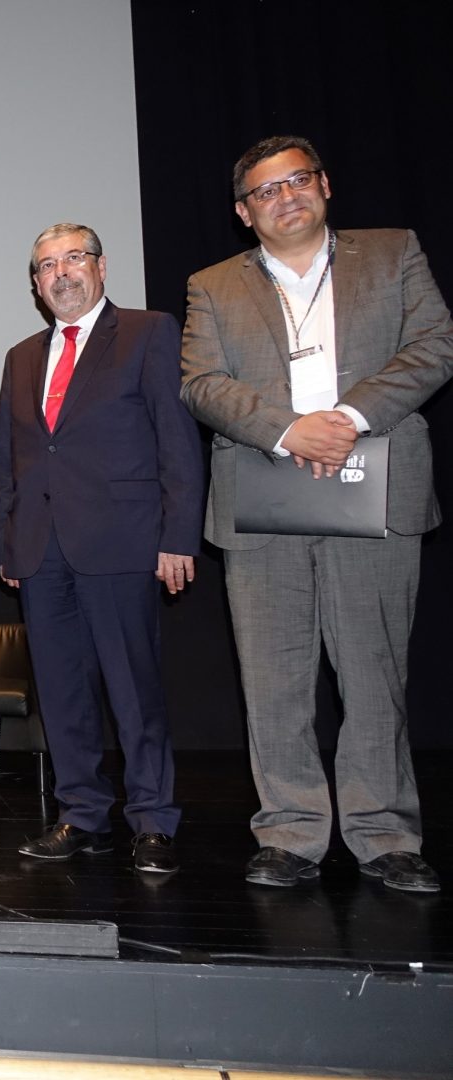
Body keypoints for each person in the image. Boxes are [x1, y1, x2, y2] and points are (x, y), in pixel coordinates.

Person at [181, 136, 453, 893]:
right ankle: (291, 830)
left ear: (325, 185)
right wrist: (286, 428)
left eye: (298, 180)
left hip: (374, 480)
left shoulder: (392, 253)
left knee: (373, 670)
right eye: (266, 191)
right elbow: (201, 383)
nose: (286, 197)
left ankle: (384, 832)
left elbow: (436, 345)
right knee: (273, 676)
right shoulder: (211, 285)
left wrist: (351, 415)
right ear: (244, 213)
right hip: (263, 489)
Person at [0, 225, 204, 874]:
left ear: (101, 268)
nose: (60, 273)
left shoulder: (147, 332)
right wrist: (8, 542)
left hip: (122, 542)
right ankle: (82, 816)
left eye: (73, 259)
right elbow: (11, 460)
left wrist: (178, 535)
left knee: (133, 691)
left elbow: (178, 440)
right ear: (34, 285)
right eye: (46, 265)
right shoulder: (23, 356)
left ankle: (152, 821)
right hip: (39, 549)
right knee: (61, 694)